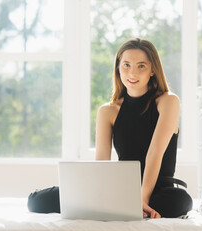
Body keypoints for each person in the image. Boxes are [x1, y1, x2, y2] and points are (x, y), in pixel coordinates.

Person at [27, 38, 193, 218]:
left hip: (158, 191)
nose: (132, 73)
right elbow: (102, 164)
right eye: (126, 65)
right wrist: (102, 194)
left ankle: (118, 207)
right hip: (120, 190)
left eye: (141, 66)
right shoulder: (108, 111)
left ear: (153, 70)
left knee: (181, 201)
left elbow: (155, 153)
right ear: (118, 68)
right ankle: (114, 206)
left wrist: (142, 199)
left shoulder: (168, 101)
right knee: (36, 201)